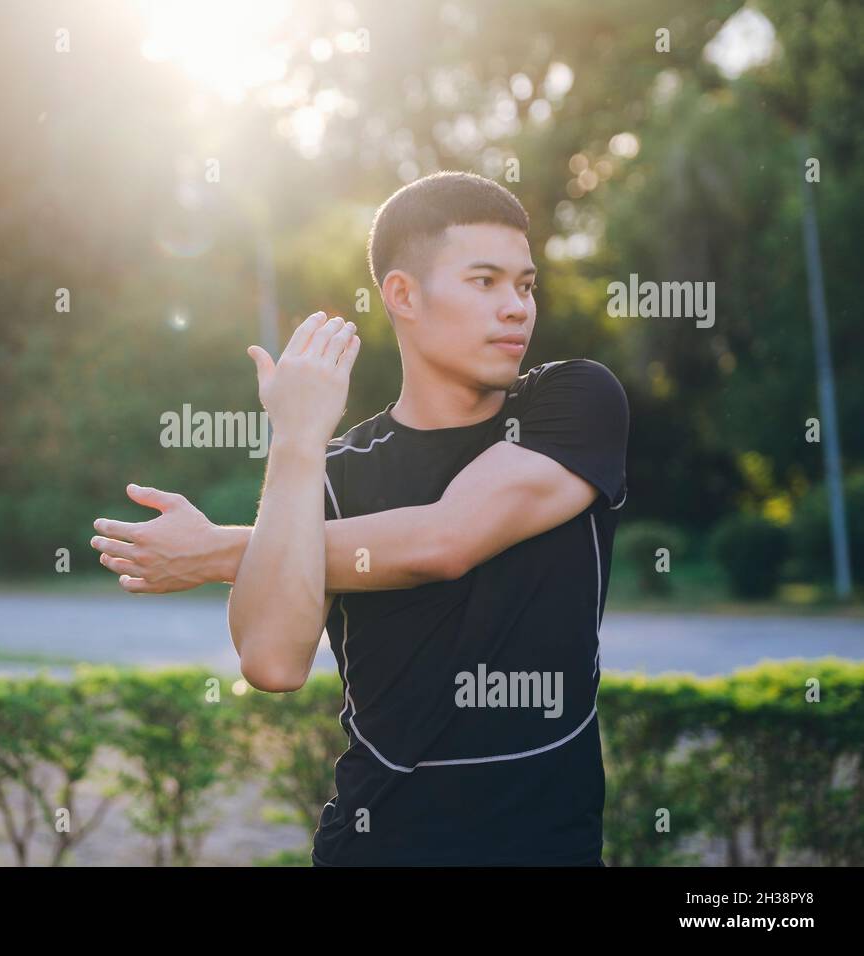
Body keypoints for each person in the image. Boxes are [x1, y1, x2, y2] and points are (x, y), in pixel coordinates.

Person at [91, 171, 628, 866]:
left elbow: (444, 540)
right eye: (485, 281)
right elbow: (273, 661)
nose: (517, 309)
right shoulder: (334, 473)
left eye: (525, 285)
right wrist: (296, 439)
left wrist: (219, 552)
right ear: (403, 294)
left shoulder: (575, 402)